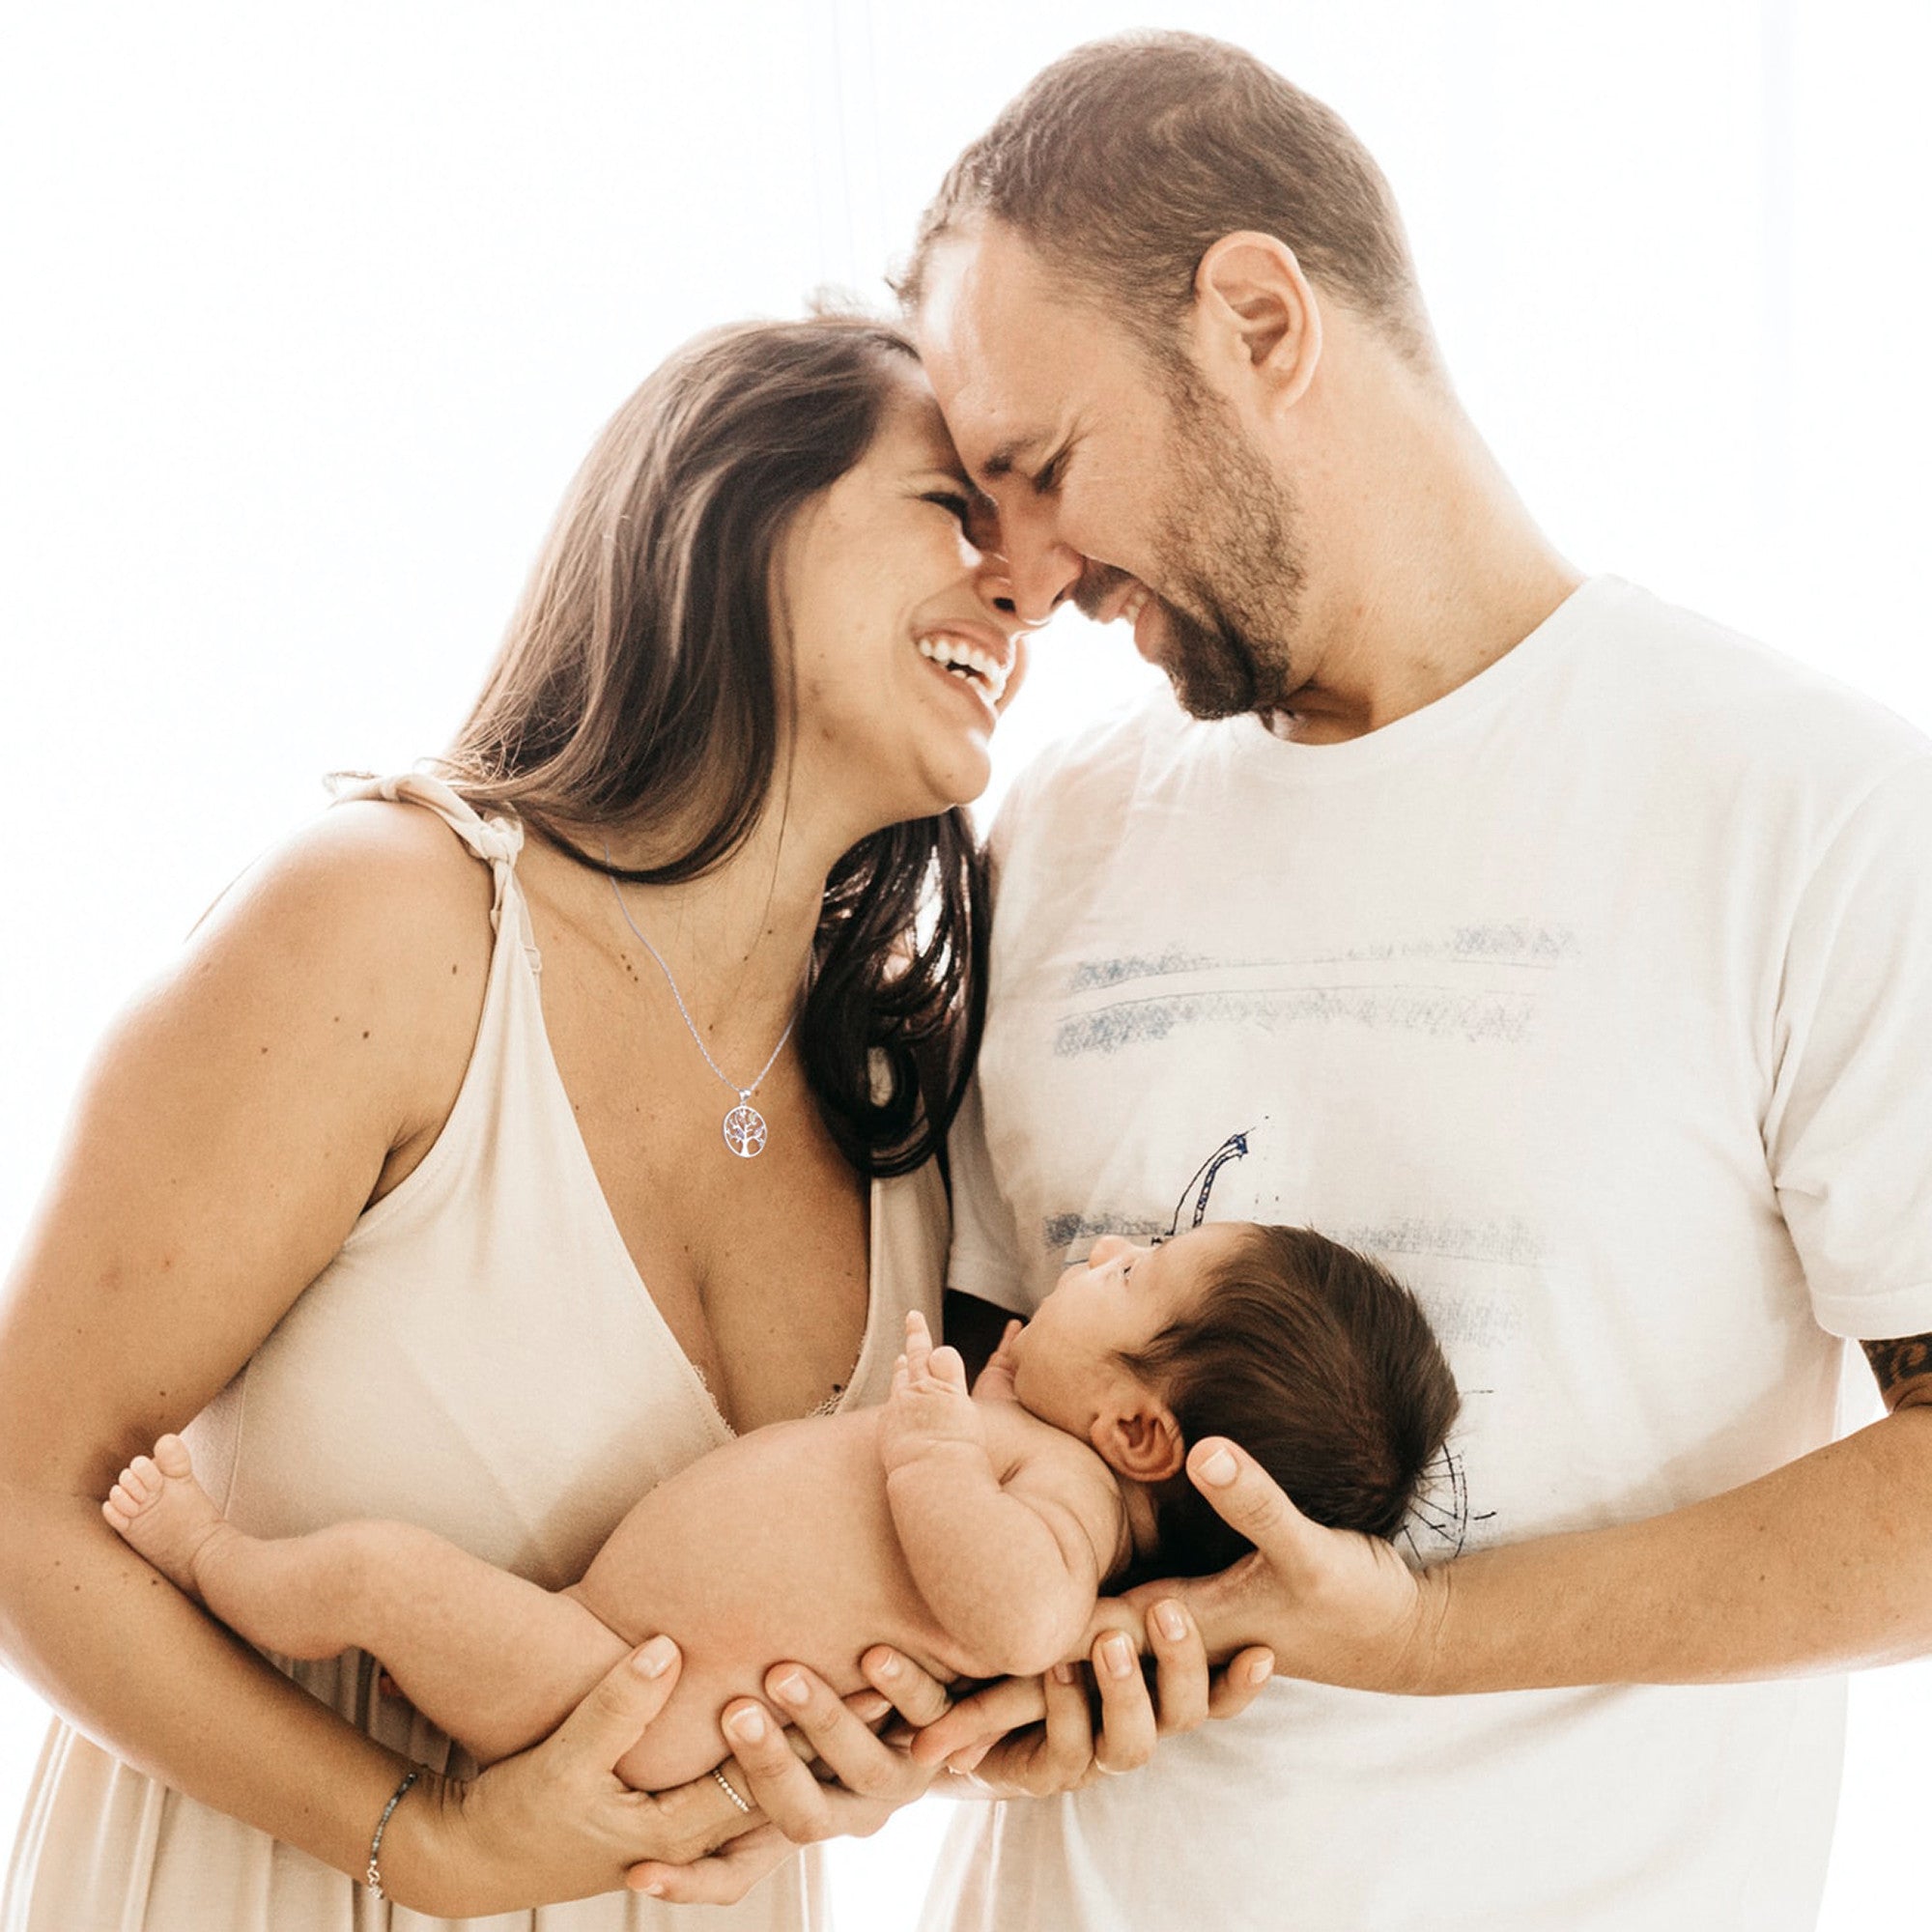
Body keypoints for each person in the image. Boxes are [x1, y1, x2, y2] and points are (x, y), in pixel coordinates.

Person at [880, 30, 1932, 1932]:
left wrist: (1426, 1635)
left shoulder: (1816, 814)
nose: (1021, 576)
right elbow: (964, 1421)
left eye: (1040, 470)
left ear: (1258, 320)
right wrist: (965, 1689)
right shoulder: (1052, 832)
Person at [0, 312, 1054, 1928]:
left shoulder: (911, 1112)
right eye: (951, 511)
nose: (1022, 588)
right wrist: (424, 1843)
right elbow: (21, 1502)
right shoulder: (389, 929)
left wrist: (885, 1759)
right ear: (735, 512)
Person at [99, 1224, 1458, 1793]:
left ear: (1141, 1434)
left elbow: (1020, 1618)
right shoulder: (1040, 1444)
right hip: (603, 1649)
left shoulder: (1064, 1511)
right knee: (411, 1592)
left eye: (1135, 1273)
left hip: (626, 1700)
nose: (1101, 1249)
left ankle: (207, 1554)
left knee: (382, 1578)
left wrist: (930, 1449)